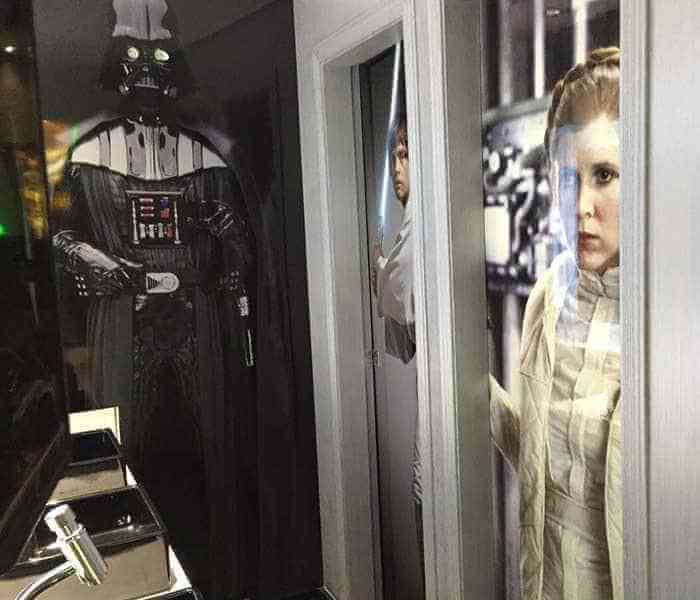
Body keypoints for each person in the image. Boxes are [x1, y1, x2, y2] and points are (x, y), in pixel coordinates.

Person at [489, 47, 622, 600]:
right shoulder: (549, 293)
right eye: (568, 177)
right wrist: (472, 387)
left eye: (604, 175)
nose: (581, 203)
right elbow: (539, 460)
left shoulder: (669, 319)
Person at [372, 116, 426, 593]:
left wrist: (382, 270)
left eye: (405, 155)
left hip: (447, 397)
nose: (396, 167)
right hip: (432, 386)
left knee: (425, 493)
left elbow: (400, 298)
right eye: (395, 156)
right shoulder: (414, 224)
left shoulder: (423, 223)